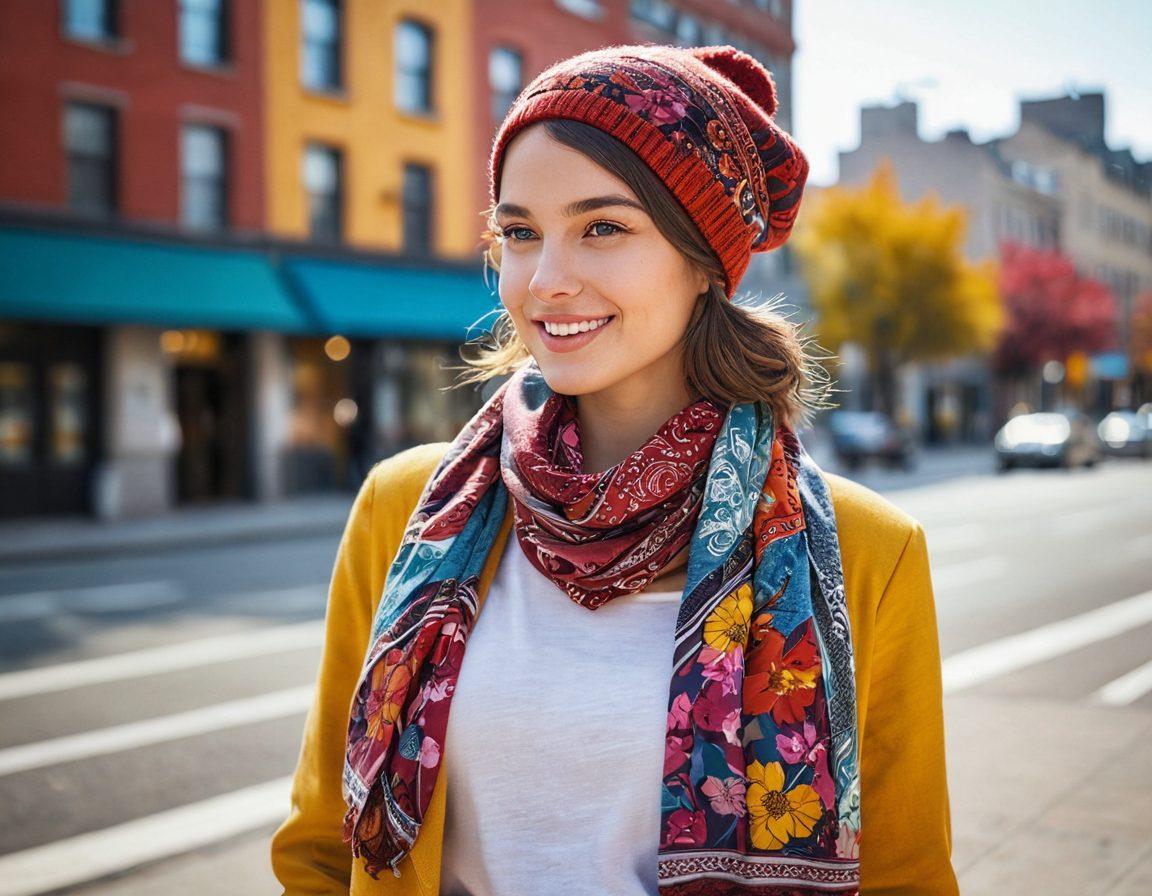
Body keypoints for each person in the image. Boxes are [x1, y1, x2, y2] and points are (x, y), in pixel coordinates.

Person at [271, 44, 959, 896]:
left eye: (603, 227)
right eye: (520, 233)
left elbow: (904, 880)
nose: (546, 280)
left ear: (705, 259)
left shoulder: (869, 553)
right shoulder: (404, 510)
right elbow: (319, 851)